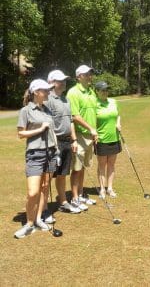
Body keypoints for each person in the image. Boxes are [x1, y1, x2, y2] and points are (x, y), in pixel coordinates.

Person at [14, 79, 57, 238]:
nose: (48, 93)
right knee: (33, 192)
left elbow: (52, 132)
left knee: (45, 187)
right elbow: (21, 134)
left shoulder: (47, 110)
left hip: (51, 153)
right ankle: (29, 223)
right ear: (35, 92)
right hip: (35, 154)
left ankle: (38, 219)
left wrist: (57, 151)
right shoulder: (26, 110)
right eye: (45, 90)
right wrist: (40, 129)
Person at [45, 70, 81, 215]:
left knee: (62, 174)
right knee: (47, 177)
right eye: (60, 80)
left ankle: (63, 202)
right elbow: (48, 124)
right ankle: (44, 209)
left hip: (67, 142)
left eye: (64, 80)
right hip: (54, 144)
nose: (63, 82)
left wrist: (74, 139)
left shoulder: (66, 100)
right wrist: (54, 145)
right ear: (52, 83)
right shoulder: (48, 100)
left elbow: (70, 121)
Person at [66, 65, 98, 211]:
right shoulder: (73, 92)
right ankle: (74, 198)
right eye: (86, 74)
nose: (89, 76)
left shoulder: (91, 92)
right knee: (76, 168)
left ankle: (80, 193)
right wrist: (90, 128)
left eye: (90, 74)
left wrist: (94, 130)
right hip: (79, 135)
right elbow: (75, 116)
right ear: (79, 77)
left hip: (90, 136)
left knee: (84, 167)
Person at [94, 81, 122, 199]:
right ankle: (102, 189)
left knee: (111, 164)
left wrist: (118, 123)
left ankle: (109, 188)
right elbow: (92, 120)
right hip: (101, 139)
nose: (105, 92)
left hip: (114, 137)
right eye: (102, 90)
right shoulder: (94, 104)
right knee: (102, 165)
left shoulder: (113, 101)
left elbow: (118, 115)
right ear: (97, 91)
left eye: (106, 90)